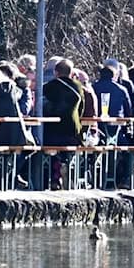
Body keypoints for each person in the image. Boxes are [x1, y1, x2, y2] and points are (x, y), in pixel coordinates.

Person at [42, 59, 83, 189]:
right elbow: (81, 108)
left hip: (52, 130)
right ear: (71, 72)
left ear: (56, 72)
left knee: (48, 148)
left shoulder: (49, 86)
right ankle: (65, 168)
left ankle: (54, 175)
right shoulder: (78, 86)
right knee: (65, 148)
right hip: (72, 131)